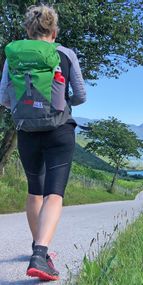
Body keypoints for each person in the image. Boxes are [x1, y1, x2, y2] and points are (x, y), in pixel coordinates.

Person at [0, 4, 86, 281]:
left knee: (35, 191)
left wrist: (27, 106)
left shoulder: (13, 56)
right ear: (54, 30)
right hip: (60, 130)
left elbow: (3, 97)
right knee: (54, 194)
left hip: (26, 132)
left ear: (27, 30)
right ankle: (40, 253)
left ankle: (39, 251)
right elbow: (81, 95)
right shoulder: (65, 54)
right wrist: (61, 103)